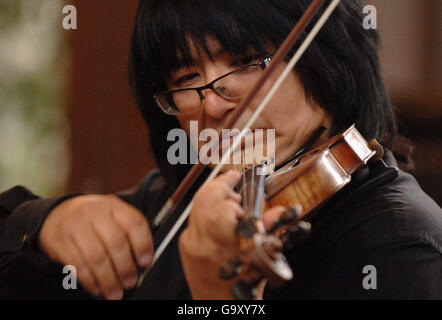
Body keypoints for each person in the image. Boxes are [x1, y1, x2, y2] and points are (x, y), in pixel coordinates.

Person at [0, 0, 441, 300]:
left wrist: (217, 298)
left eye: (247, 60)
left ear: (327, 62)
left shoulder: (401, 247)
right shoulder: (171, 211)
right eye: (186, 78)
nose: (211, 103)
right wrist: (45, 223)